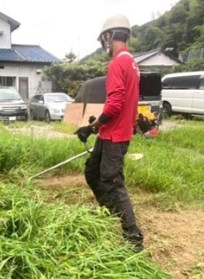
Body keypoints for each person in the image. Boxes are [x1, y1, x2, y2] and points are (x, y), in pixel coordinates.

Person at [74, 14, 144, 252]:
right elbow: (126, 103)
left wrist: (90, 127)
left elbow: (114, 105)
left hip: (115, 137)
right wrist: (98, 127)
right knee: (92, 171)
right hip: (111, 133)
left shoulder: (117, 63)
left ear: (110, 36)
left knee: (113, 183)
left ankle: (133, 237)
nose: (104, 43)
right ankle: (109, 211)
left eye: (104, 38)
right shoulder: (132, 62)